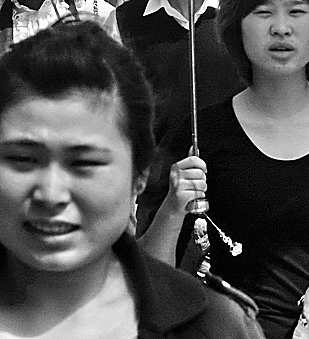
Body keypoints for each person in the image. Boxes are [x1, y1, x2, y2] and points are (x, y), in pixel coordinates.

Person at [137, 0, 309, 339]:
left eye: (297, 11)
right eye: (263, 13)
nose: (281, 28)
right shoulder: (201, 133)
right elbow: (150, 278)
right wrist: (172, 207)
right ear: (236, 27)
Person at [0, 20, 266, 338]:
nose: (50, 194)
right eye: (23, 160)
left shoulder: (213, 328)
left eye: (84, 163)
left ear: (139, 174)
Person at [105, 0, 244, 145]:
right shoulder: (124, 19)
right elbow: (114, 106)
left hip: (235, 153)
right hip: (159, 155)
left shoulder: (239, 12)